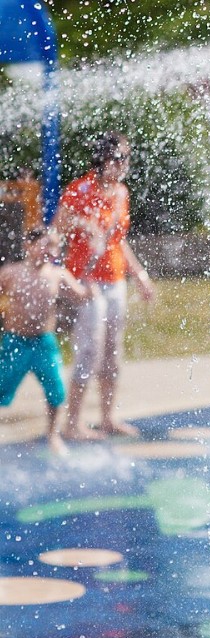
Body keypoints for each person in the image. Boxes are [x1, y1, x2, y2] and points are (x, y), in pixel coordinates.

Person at [53, 132, 156, 440]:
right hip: (87, 282)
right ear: (103, 161)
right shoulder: (79, 189)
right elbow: (57, 228)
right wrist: (86, 224)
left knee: (112, 351)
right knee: (88, 350)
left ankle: (108, 418)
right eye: (121, 158)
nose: (125, 164)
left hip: (115, 280)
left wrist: (139, 275)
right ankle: (72, 424)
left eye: (126, 158)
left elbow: (118, 239)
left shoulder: (122, 193)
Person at [0, 229, 91, 456]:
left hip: (44, 343)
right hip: (15, 342)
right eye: (44, 245)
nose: (49, 250)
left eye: (53, 246)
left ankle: (52, 434)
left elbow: (79, 295)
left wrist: (90, 290)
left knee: (56, 390)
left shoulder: (58, 275)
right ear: (28, 246)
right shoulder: (11, 273)